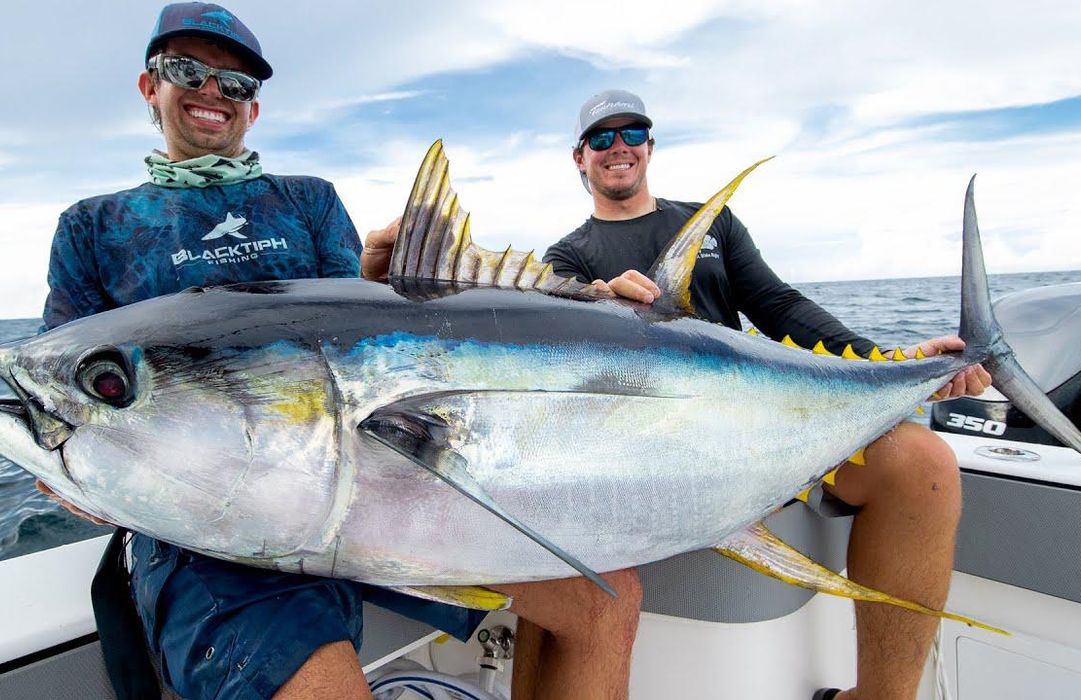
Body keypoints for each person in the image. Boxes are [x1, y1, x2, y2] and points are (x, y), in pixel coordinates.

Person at [39, 5, 639, 699]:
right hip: (211, 536)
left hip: (363, 499)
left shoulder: (309, 201)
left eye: (235, 82)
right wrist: (75, 470)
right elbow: (64, 397)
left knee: (607, 598)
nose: (212, 91)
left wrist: (392, 285)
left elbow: (359, 341)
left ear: (253, 107)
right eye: (187, 70)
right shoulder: (93, 226)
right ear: (151, 86)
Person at [540, 89, 992, 700]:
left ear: (650, 145)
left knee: (923, 462)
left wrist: (895, 364)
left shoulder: (712, 223)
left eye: (632, 133)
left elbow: (779, 306)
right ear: (580, 157)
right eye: (601, 138)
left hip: (767, 429)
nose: (617, 147)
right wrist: (596, 302)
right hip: (650, 452)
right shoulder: (567, 258)